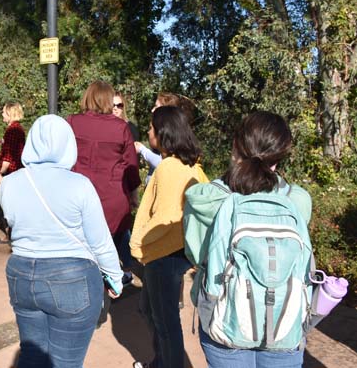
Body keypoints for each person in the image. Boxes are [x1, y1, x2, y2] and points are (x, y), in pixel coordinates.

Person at [184, 112, 312, 367]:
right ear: (281, 154)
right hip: (285, 323)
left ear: (235, 146)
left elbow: (196, 254)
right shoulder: (297, 200)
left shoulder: (204, 199)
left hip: (225, 319)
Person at [0, 114, 124, 367]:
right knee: (66, 362)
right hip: (71, 280)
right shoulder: (80, 184)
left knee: (32, 357)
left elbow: (13, 224)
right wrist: (115, 278)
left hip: (22, 275)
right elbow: (99, 241)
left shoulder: (9, 184)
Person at [130, 106, 208, 368]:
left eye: (152, 127)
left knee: (165, 323)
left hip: (163, 254)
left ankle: (166, 362)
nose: (149, 131)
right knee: (153, 312)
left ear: (162, 133)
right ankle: (161, 361)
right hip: (179, 253)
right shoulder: (193, 167)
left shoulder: (168, 168)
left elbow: (163, 217)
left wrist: (140, 242)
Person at [67, 81, 140, 281]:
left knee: (82, 252)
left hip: (78, 197)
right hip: (112, 199)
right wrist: (133, 195)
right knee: (107, 251)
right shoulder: (121, 128)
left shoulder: (72, 122)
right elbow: (131, 167)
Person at [135, 92, 195, 178]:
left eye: (156, 106)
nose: (152, 110)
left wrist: (142, 150)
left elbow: (162, 163)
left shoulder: (171, 137)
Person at [0, 101, 25, 244]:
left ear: (10, 112)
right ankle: (12, 232)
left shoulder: (12, 130)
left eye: (4, 111)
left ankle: (9, 232)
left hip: (9, 173)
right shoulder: (17, 129)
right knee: (11, 203)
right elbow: (12, 145)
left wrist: (1, 174)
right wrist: (0, 141)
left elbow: (8, 157)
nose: (2, 114)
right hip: (17, 172)